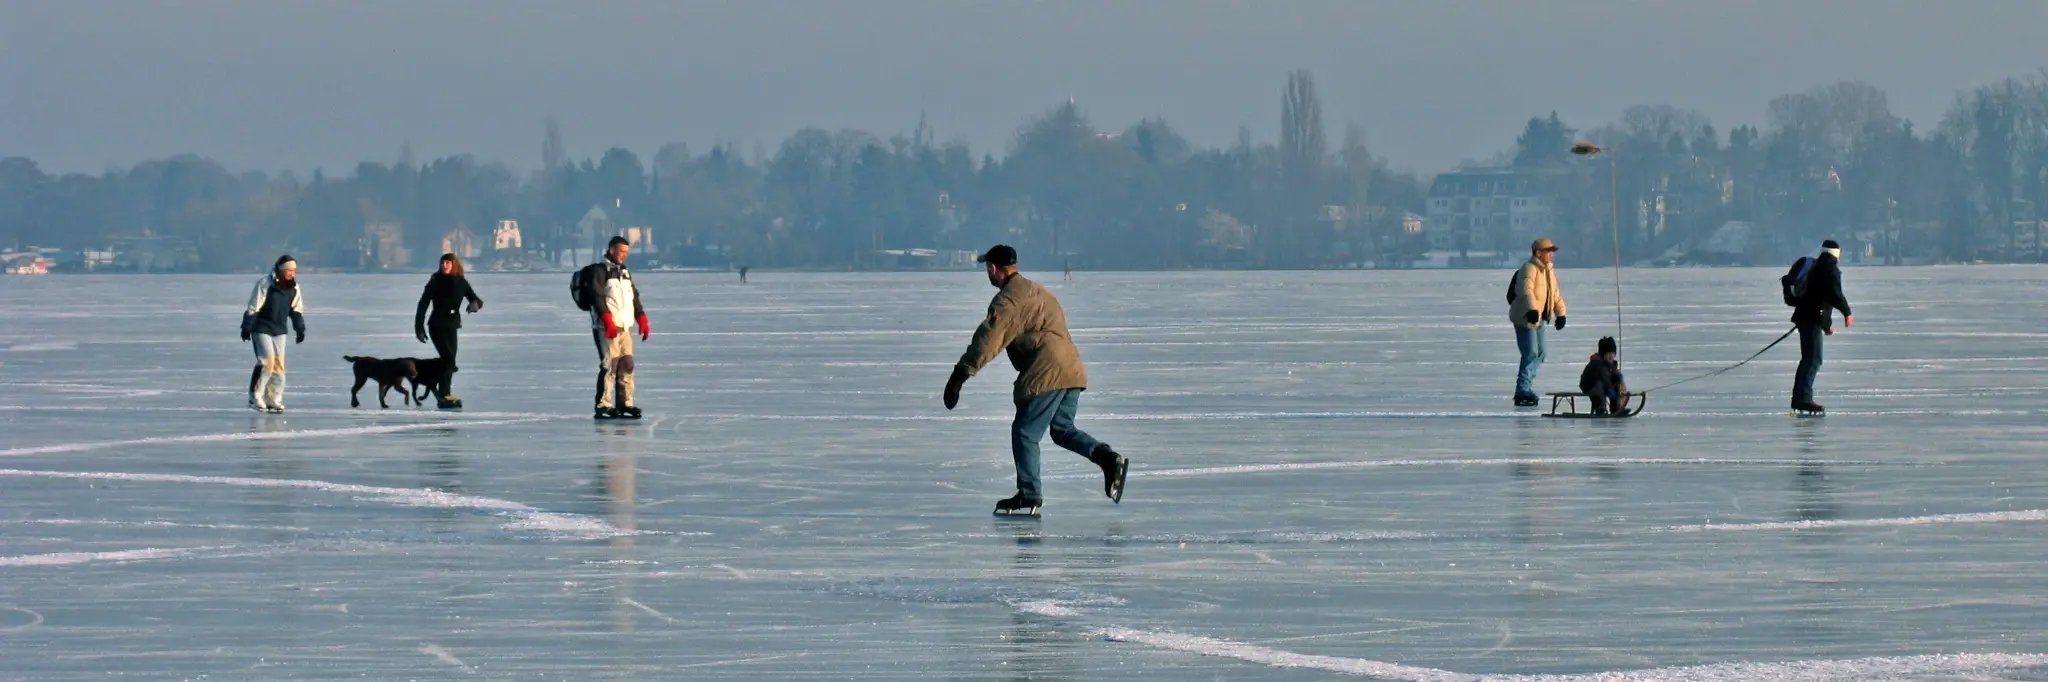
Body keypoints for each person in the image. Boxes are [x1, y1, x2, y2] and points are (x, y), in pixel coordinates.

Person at [944, 244, 1128, 515]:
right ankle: (1107, 458)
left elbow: (988, 338)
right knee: (1063, 430)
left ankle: (1029, 494)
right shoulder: (1038, 291)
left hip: (1047, 370)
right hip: (1071, 368)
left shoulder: (1009, 300)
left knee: (1025, 433)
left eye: (987, 268)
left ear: (993, 268)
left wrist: (960, 374)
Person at [1789, 239, 1853, 413]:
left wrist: (1826, 325)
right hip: (1811, 319)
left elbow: (1821, 300)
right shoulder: (1830, 269)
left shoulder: (1816, 266)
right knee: (1813, 360)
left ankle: (1800, 399)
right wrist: (1847, 312)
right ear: (1837, 254)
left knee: (1808, 359)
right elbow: (1834, 295)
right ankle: (1803, 399)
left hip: (1806, 317)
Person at [589, 236, 649, 420]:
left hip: (625, 327)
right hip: (606, 327)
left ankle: (625, 404)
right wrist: (607, 321)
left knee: (627, 364)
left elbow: (634, 297)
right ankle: (603, 405)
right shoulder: (600, 271)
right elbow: (597, 298)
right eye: (621, 251)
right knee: (610, 365)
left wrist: (641, 318)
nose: (624, 255)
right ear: (611, 250)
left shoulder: (624, 272)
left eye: (626, 252)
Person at [415, 253, 484, 408]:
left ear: (454, 265)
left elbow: (476, 299)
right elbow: (423, 304)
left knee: (449, 362)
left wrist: (475, 305)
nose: (444, 265)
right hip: (436, 325)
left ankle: (443, 394)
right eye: (442, 263)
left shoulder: (461, 282)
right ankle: (444, 395)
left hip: (452, 326)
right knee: (448, 361)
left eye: (447, 263)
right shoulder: (435, 281)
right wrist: (419, 328)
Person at [239, 254, 305, 413]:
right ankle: (255, 396)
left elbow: (296, 310)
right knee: (266, 362)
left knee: (278, 366)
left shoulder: (294, 287)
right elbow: (254, 306)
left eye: (294, 270)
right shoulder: (265, 283)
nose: (292, 273)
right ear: (281, 270)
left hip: (279, 330)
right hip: (261, 328)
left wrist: (300, 329)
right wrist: (247, 327)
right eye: (289, 270)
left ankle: (273, 399)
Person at [1508, 238, 1567, 406]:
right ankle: (1522, 389)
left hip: (1539, 317)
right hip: (1525, 317)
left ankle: (1525, 386)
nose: (1552, 254)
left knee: (1541, 353)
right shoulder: (1529, 268)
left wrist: (1561, 314)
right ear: (1538, 252)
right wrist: (1532, 310)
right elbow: (1525, 291)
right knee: (1530, 353)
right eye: (1549, 251)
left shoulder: (1549, 270)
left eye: (1552, 251)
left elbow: (1555, 294)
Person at [1578, 336, 1628, 416]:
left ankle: (1616, 408)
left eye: (1613, 353)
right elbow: (1603, 378)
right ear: (1603, 354)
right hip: (1589, 385)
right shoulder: (1597, 364)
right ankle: (1600, 408)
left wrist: (1618, 378)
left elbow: (1610, 378)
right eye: (1608, 354)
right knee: (1599, 387)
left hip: (1604, 384)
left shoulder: (1612, 364)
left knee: (1617, 384)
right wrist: (1609, 388)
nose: (1611, 356)